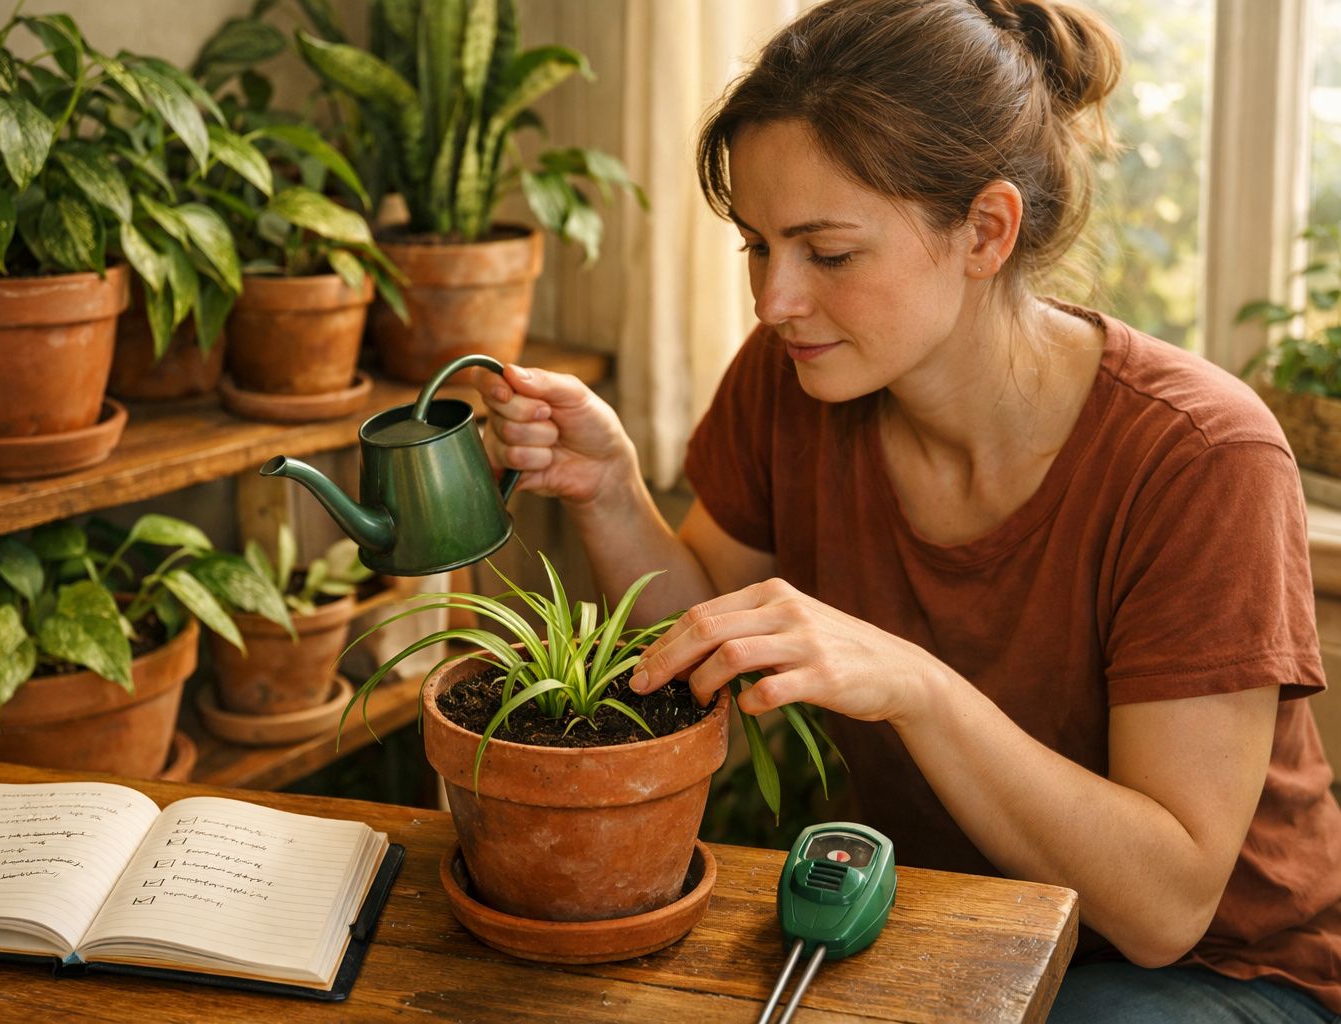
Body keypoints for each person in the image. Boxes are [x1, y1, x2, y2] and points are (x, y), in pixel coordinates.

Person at [471, 0, 1341, 1020]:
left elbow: (1165, 906)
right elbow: (698, 642)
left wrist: (915, 684)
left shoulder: (1201, 458)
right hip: (945, 920)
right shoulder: (790, 380)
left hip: (1218, 976)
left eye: (828, 254)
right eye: (755, 246)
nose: (774, 300)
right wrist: (610, 490)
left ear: (985, 230)